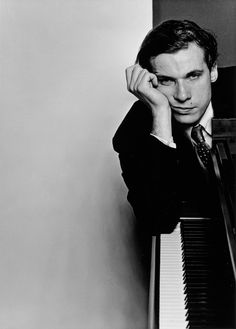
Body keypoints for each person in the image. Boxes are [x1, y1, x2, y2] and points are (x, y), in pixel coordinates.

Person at [112, 19, 232, 284]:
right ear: (151, 83)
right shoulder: (133, 134)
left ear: (212, 70)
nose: (182, 95)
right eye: (166, 81)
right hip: (206, 256)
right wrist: (160, 114)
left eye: (193, 75)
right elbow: (158, 220)